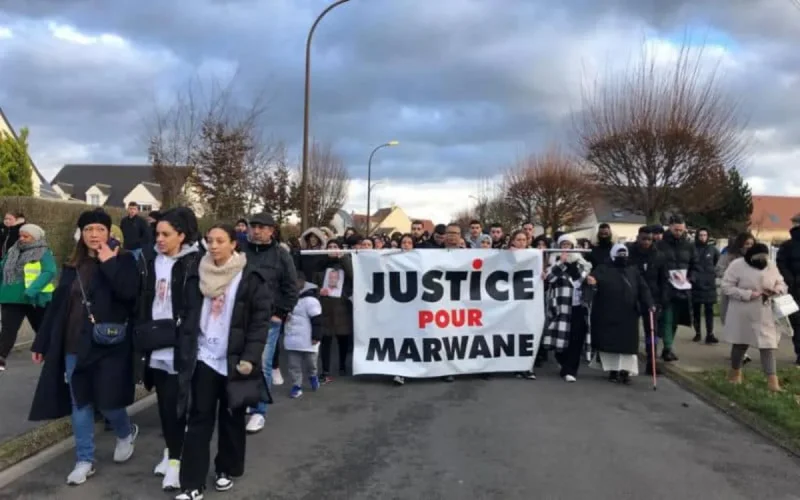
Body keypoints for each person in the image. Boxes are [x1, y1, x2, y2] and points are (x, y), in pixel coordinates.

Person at [29, 209, 140, 486]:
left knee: (108, 400)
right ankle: (84, 460)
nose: (94, 234)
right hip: (73, 344)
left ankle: (125, 432)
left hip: (108, 344)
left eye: (100, 229)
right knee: (80, 402)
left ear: (109, 233)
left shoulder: (124, 260)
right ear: (81, 234)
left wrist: (109, 262)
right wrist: (41, 342)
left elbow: (129, 294)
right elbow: (58, 307)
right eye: (88, 229)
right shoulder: (72, 266)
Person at [176, 224, 272, 500]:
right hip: (204, 356)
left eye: (220, 241)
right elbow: (188, 313)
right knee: (199, 419)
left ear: (233, 244)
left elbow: (259, 323)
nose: (214, 246)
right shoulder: (197, 273)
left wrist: (250, 357)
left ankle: (225, 469)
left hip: (234, 359)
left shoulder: (250, 277)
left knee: (232, 419)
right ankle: (192, 484)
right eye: (210, 241)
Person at [136, 208, 201, 491]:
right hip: (154, 341)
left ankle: (176, 462)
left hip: (180, 343)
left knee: (177, 406)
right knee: (164, 405)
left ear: (181, 236)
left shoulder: (195, 262)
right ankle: (170, 451)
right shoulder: (149, 260)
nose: (159, 239)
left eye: (166, 234)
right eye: (157, 234)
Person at [242, 212, 298, 434]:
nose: (256, 231)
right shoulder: (240, 251)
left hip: (268, 319)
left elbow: (291, 287)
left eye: (261, 227)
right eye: (253, 226)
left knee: (264, 362)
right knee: (242, 361)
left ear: (271, 231)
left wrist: (281, 313)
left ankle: (260, 411)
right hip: (241, 317)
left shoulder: (281, 255)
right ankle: (248, 398)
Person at [721, 243, 787, 392]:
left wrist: (777, 290)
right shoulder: (737, 265)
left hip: (765, 312)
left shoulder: (770, 266)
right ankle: (735, 373)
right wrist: (748, 294)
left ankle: (773, 382)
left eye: (764, 257)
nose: (762, 260)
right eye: (759, 257)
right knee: (740, 343)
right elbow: (726, 286)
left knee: (768, 346)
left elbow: (781, 282)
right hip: (743, 312)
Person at [588, 244, 654, 384]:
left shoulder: (633, 270)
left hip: (629, 314)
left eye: (624, 255)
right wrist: (591, 282)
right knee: (611, 345)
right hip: (608, 313)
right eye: (619, 255)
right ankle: (613, 371)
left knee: (628, 346)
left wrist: (649, 303)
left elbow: (643, 288)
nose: (622, 257)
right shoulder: (603, 269)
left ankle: (625, 371)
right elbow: (592, 282)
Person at [0, 224, 56, 372]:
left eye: (26, 236)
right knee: (8, 329)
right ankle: (1, 357)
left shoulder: (44, 252)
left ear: (35, 237)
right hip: (11, 296)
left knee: (42, 328)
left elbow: (49, 272)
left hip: (35, 298)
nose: (22, 239)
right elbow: (3, 268)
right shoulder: (13, 251)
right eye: (21, 235)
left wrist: (33, 290)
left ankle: (53, 357)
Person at [541, 234, 592, 382]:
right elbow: (550, 278)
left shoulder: (582, 263)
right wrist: (561, 263)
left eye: (569, 245)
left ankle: (570, 370)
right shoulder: (554, 262)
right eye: (563, 245)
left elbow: (583, 279)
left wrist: (588, 279)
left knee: (576, 339)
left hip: (578, 306)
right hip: (561, 307)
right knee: (561, 339)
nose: (566, 248)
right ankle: (563, 362)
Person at [627, 227, 669, 375]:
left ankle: (652, 361)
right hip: (632, 297)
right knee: (630, 330)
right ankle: (627, 363)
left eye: (649, 239)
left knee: (652, 332)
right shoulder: (629, 254)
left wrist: (662, 300)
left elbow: (664, 280)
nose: (646, 242)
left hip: (652, 299)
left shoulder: (659, 256)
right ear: (638, 238)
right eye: (643, 239)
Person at [656, 215, 696, 362]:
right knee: (667, 317)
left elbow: (695, 265)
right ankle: (667, 347)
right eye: (676, 230)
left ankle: (668, 346)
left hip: (683, 287)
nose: (678, 232)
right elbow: (656, 264)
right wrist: (664, 277)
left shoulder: (689, 246)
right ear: (670, 228)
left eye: (681, 230)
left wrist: (691, 278)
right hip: (665, 286)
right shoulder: (660, 245)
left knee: (674, 320)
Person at [316, 240, 353, 383]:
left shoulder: (346, 262)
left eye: (335, 246)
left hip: (342, 306)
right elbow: (313, 282)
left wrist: (343, 258)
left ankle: (342, 365)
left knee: (343, 339)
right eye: (329, 247)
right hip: (325, 307)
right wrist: (318, 291)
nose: (332, 249)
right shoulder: (321, 264)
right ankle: (325, 370)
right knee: (325, 340)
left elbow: (353, 276)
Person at [284, 271, 323, 399]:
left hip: (308, 339)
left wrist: (316, 336)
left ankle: (313, 376)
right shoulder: (287, 298)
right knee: (293, 365)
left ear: (302, 282)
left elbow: (317, 320)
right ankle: (296, 386)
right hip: (291, 339)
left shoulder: (310, 300)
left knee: (311, 363)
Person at [775, 213, 800, 366]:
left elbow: (780, 263)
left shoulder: (786, 246)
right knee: (796, 322)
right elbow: (781, 264)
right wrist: (791, 279)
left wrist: (790, 279)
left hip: (793, 288)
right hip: (794, 288)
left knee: (796, 323)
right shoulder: (788, 246)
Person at [717, 232, 755, 324]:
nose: (749, 246)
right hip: (733, 292)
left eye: (751, 244)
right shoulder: (728, 255)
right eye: (747, 244)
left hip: (750, 294)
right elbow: (719, 269)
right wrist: (734, 278)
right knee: (731, 321)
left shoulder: (755, 257)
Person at [691, 228, 720, 344]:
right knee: (696, 310)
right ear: (697, 236)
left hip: (709, 284)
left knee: (709, 310)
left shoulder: (712, 249)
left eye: (705, 235)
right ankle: (697, 333)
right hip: (696, 284)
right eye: (701, 235)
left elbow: (717, 262)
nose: (703, 237)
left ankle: (710, 334)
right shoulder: (692, 249)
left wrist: (712, 273)